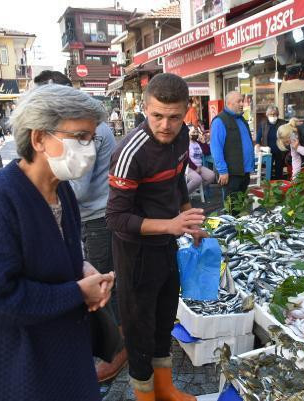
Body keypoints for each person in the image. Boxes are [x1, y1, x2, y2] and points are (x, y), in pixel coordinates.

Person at [0, 83, 115, 401]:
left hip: (64, 354)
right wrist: (77, 292)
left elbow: (54, 253)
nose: (89, 148)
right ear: (39, 138)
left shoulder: (61, 189)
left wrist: (81, 268)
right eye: (80, 137)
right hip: (22, 369)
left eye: (92, 138)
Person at [106, 73, 206, 401]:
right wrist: (171, 225)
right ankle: (145, 396)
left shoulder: (181, 140)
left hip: (166, 245)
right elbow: (116, 218)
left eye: (174, 117)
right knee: (139, 332)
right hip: (135, 253)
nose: (165, 125)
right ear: (145, 109)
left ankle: (165, 388)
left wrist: (188, 218)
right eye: (157, 116)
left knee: (165, 319)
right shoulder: (130, 152)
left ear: (186, 112)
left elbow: (177, 182)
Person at [34, 69, 127, 381]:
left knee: (104, 285)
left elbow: (82, 187)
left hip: (98, 215)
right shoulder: (7, 193)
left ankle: (116, 349)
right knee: (102, 278)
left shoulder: (87, 128)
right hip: (95, 214)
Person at [210, 91, 255, 200]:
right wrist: (222, 170)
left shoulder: (241, 119)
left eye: (242, 101)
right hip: (231, 173)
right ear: (229, 103)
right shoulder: (220, 121)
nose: (242, 104)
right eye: (238, 101)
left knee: (240, 205)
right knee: (232, 207)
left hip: (244, 172)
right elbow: (216, 148)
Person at [255, 105, 286, 180]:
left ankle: (279, 185)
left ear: (277, 115)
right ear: (267, 115)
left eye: (274, 114)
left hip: (280, 150)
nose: (273, 116)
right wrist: (257, 144)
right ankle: (269, 186)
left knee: (279, 170)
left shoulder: (282, 123)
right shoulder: (263, 123)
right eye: (270, 114)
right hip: (268, 151)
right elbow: (259, 136)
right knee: (269, 170)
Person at [186, 125, 215, 195]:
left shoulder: (198, 143)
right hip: (189, 167)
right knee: (197, 179)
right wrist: (195, 168)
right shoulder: (186, 143)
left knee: (211, 176)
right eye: (193, 132)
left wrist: (203, 142)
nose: (195, 133)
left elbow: (207, 152)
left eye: (196, 132)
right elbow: (186, 158)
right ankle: (182, 197)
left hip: (199, 166)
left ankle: (197, 189)